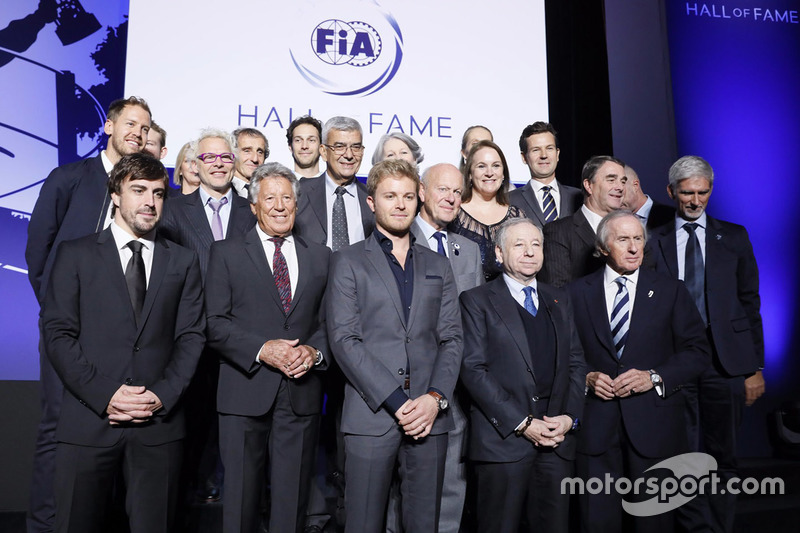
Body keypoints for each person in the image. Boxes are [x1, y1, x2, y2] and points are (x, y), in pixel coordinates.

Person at [41, 152, 205, 533]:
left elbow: (191, 337)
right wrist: (107, 395)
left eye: (159, 193)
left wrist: (160, 396)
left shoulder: (182, 261)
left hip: (158, 426)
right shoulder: (74, 254)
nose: (150, 201)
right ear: (115, 194)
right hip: (89, 421)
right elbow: (58, 334)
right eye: (138, 190)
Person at [25, 95, 152, 533]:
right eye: (130, 125)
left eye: (145, 128)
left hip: (120, 338)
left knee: (111, 432)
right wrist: (59, 315)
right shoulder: (68, 178)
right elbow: (37, 253)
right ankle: (44, 524)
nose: (138, 133)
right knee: (57, 425)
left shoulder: (143, 193)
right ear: (109, 128)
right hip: (69, 330)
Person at [325, 159, 463, 533]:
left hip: (429, 417)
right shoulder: (347, 261)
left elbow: (452, 337)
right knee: (363, 524)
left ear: (418, 199)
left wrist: (434, 398)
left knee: (425, 525)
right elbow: (344, 340)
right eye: (390, 196)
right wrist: (399, 403)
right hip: (371, 417)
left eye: (407, 196)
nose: (400, 205)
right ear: (372, 203)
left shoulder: (438, 263)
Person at [205, 162, 330, 533]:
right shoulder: (225, 253)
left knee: (292, 504)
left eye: (287, 197)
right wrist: (262, 349)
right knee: (241, 502)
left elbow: (330, 324)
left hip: (301, 394)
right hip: (244, 392)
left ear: (297, 203)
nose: (279, 205)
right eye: (270, 198)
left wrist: (314, 352)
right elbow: (214, 323)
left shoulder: (320, 256)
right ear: (254, 205)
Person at [568, 211, 710, 532]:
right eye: (623, 239)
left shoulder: (670, 290)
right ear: (603, 247)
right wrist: (587, 378)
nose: (633, 247)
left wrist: (654, 377)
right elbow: (562, 356)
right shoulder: (575, 294)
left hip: (655, 431)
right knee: (596, 523)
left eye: (638, 239)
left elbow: (698, 352)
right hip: (595, 431)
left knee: (653, 525)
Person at [647, 155, 765, 533]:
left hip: (726, 365)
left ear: (711, 190)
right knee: (682, 454)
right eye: (687, 193)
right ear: (671, 192)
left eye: (703, 192)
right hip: (675, 362)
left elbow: (750, 305)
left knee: (723, 455)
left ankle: (719, 528)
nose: (695, 201)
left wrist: (754, 368)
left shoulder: (734, 237)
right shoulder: (653, 240)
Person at [460, 218, 586, 533]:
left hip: (557, 440)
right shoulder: (476, 301)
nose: (530, 252)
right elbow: (473, 370)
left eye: (536, 244)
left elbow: (576, 362)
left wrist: (570, 418)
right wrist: (523, 423)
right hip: (504, 443)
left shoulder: (559, 298)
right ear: (499, 254)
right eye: (519, 245)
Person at [158, 128, 255, 509]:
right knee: (190, 436)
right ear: (195, 165)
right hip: (189, 340)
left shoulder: (253, 212)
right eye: (209, 158)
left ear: (235, 164)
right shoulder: (173, 210)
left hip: (239, 340)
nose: (218, 164)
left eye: (225, 157)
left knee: (235, 440)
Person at [391, 163, 482, 533]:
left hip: (453, 379)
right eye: (442, 189)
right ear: (422, 193)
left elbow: (473, 319)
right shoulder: (395, 238)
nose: (451, 198)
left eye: (458, 192)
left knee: (450, 477)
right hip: (402, 379)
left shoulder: (469, 249)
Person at [539, 155, 627, 288]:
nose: (620, 187)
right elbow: (557, 290)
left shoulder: (631, 230)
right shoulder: (558, 232)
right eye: (611, 180)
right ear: (588, 185)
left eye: (623, 181)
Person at [449, 139, 526, 281]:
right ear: (470, 174)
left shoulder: (517, 216)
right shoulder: (454, 214)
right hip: (464, 299)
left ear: (503, 174)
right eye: (481, 166)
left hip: (508, 301)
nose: (489, 173)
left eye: (496, 166)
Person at [294, 116, 374, 250]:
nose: (349, 155)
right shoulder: (299, 192)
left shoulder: (373, 197)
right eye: (339, 147)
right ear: (323, 152)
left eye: (356, 147)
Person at [510, 121, 582, 225]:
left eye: (549, 148)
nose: (544, 155)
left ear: (557, 154)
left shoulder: (579, 197)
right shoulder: (509, 200)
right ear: (524, 157)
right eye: (536, 150)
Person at [620, 164, 673, 230]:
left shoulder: (671, 217)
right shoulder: (611, 221)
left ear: (635, 185)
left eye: (620, 192)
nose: (616, 201)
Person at [231, 127, 268, 198]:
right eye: (247, 151)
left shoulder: (270, 189)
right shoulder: (222, 188)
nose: (255, 159)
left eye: (260, 152)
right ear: (232, 153)